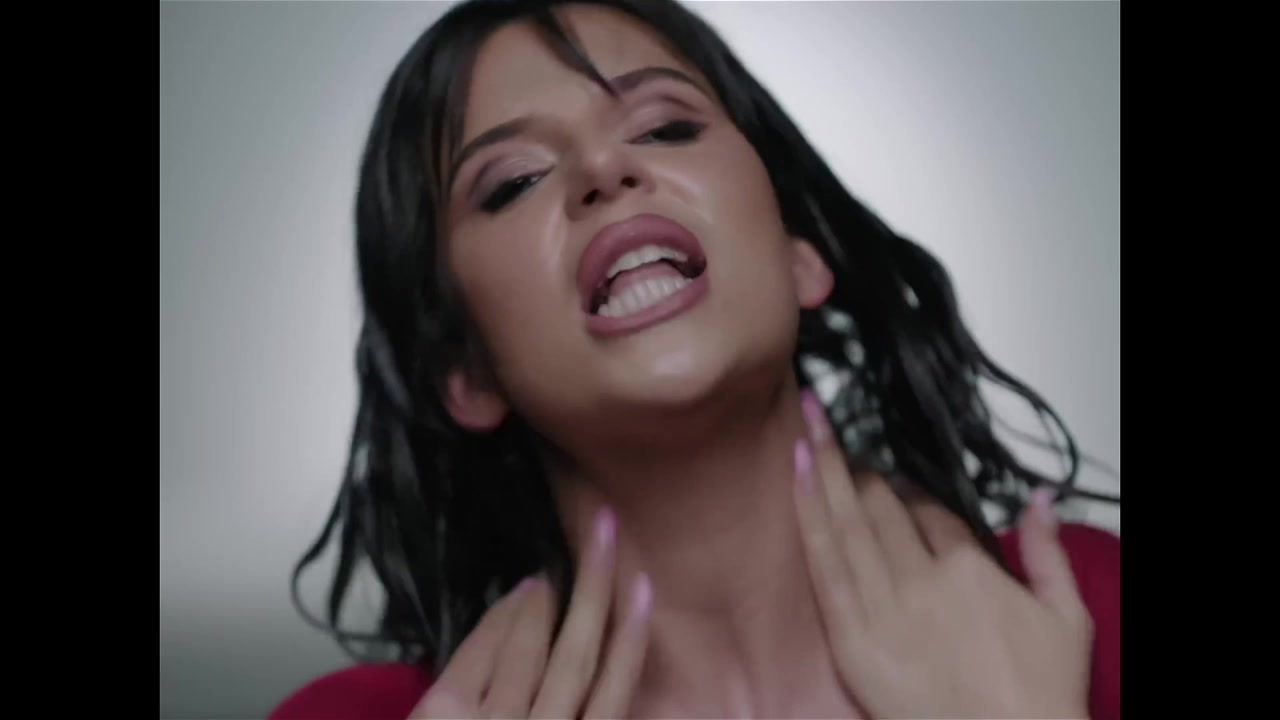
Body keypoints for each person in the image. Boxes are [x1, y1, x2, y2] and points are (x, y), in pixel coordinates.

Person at [270, 0, 1120, 717]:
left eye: (666, 127)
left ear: (800, 253)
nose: (605, 167)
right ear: (465, 369)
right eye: (514, 181)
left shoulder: (1081, 615)